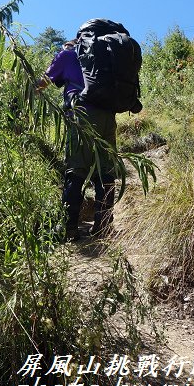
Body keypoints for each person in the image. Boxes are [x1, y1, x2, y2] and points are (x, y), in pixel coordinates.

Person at [37, 40, 117, 241]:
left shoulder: (67, 55)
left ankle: (70, 228)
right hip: (108, 117)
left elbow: (43, 82)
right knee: (105, 173)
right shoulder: (107, 57)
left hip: (81, 116)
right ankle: (103, 227)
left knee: (76, 171)